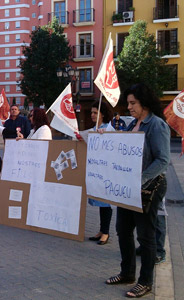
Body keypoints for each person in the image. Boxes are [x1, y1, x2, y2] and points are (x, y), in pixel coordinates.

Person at [105, 83, 170, 298]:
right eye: (128, 103)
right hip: (128, 188)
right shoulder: (133, 123)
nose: (129, 107)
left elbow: (163, 160)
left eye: (133, 103)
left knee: (145, 236)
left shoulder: (156, 125)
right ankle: (127, 273)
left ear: (144, 102)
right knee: (123, 230)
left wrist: (139, 180)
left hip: (148, 189)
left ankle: (145, 282)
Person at [87, 101, 113, 246]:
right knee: (100, 203)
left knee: (105, 203)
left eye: (95, 113)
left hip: (105, 171)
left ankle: (106, 232)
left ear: (102, 114)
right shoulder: (93, 129)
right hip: (96, 171)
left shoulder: (108, 129)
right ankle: (101, 230)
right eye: (91, 112)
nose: (92, 115)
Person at [136, 198, 168, 265]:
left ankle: (159, 251)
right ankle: (144, 247)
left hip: (157, 190)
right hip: (143, 190)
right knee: (144, 216)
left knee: (158, 217)